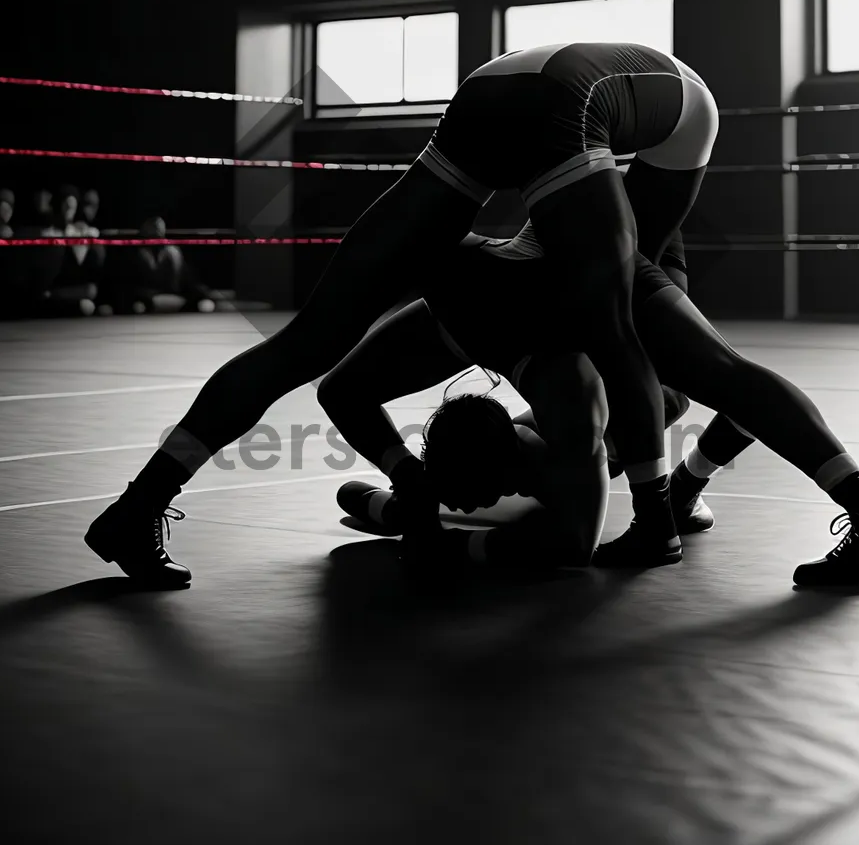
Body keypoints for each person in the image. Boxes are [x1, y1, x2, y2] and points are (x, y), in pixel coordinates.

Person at [86, 43, 719, 586]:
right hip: (571, 104)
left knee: (304, 343)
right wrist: (652, 516)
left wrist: (407, 483)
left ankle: (138, 505)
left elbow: (341, 396)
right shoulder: (566, 385)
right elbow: (574, 543)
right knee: (647, 356)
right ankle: (665, 514)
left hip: (487, 99)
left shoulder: (468, 327)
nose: (489, 500)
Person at [320, 223, 859, 588]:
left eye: (465, 496)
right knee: (693, 399)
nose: (466, 505)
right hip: (568, 247)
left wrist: (450, 541)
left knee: (708, 387)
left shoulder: (568, 404)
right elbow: (339, 399)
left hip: (616, 246)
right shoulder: (453, 314)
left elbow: (571, 549)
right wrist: (408, 485)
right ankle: (681, 492)